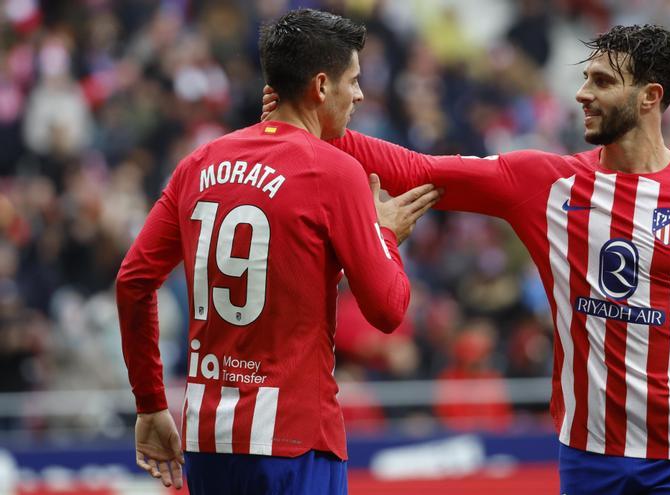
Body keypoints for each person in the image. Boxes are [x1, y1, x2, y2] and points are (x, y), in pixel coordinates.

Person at [263, 23, 670, 495]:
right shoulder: (545, 184)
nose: (582, 93)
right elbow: (418, 168)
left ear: (650, 97)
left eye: (602, 82)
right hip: (586, 457)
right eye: (585, 78)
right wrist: (306, 119)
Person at [117, 9, 439, 495]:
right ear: (320, 85)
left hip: (208, 441)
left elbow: (133, 281)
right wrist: (385, 234)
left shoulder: (197, 164)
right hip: (295, 440)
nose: (360, 95)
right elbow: (388, 309)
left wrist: (149, 404)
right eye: (353, 81)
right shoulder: (336, 172)